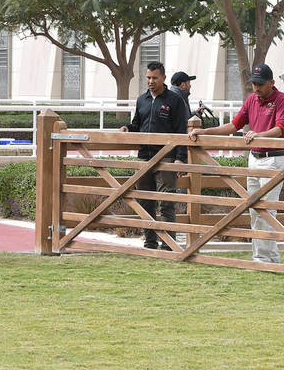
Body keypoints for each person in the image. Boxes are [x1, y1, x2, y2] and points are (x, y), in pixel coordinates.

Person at [189, 63, 284, 263]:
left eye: (260, 84)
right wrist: (204, 131)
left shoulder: (281, 99)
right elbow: (234, 125)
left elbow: (280, 129)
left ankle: (266, 260)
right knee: (254, 209)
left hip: (274, 159)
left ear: (271, 83)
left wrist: (259, 135)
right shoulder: (251, 100)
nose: (256, 88)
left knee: (266, 210)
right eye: (253, 84)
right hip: (254, 158)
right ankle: (263, 258)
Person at [120, 61, 190, 250]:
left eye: (154, 78)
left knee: (166, 202)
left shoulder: (175, 101)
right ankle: (150, 241)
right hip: (144, 156)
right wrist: (128, 128)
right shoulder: (141, 99)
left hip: (166, 158)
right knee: (145, 201)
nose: (151, 81)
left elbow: (182, 131)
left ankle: (168, 244)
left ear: (164, 78)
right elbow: (137, 123)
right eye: (148, 78)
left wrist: (180, 158)